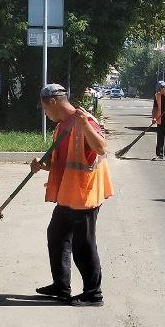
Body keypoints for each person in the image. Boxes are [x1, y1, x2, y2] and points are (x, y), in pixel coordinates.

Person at [30, 84, 112, 307]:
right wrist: (43, 165)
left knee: (83, 246)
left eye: (44, 109)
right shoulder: (61, 127)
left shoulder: (85, 121)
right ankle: (61, 286)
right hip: (68, 195)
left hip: (84, 196)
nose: (45, 113)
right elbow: (64, 162)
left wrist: (85, 124)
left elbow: (102, 148)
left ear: (53, 102)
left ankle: (93, 295)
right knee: (56, 236)